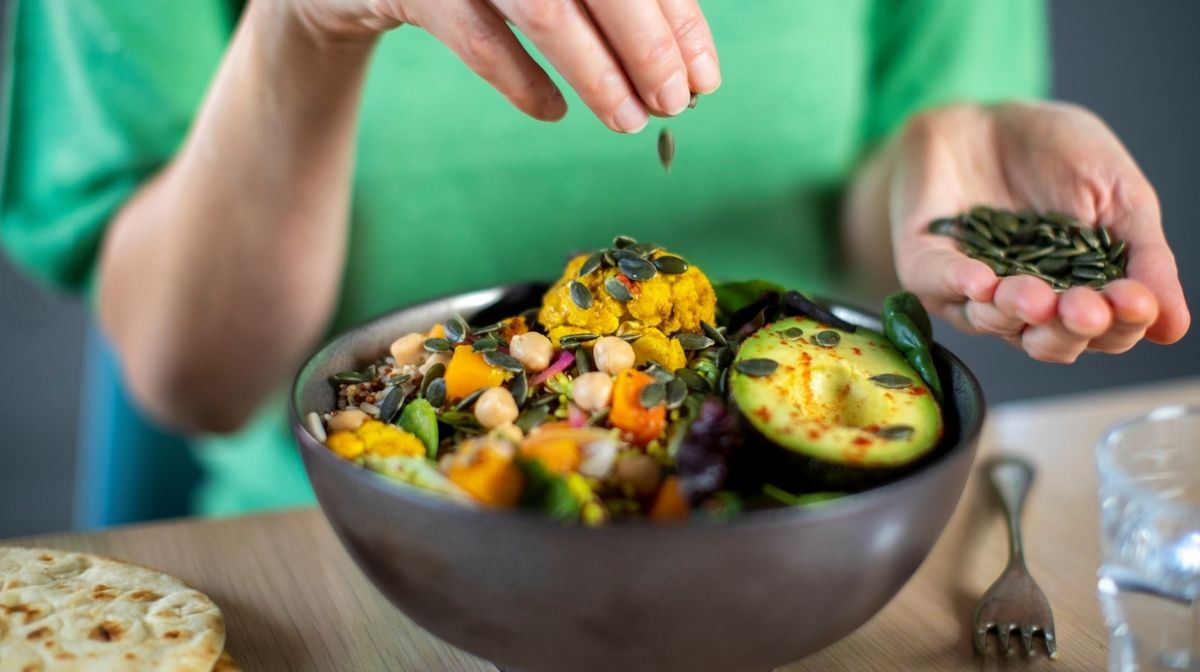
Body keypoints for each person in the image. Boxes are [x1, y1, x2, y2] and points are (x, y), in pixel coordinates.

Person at [2, 0, 1188, 516]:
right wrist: (301, 24)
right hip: (360, 561)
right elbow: (189, 378)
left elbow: (863, 202)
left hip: (790, 539)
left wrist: (932, 154)